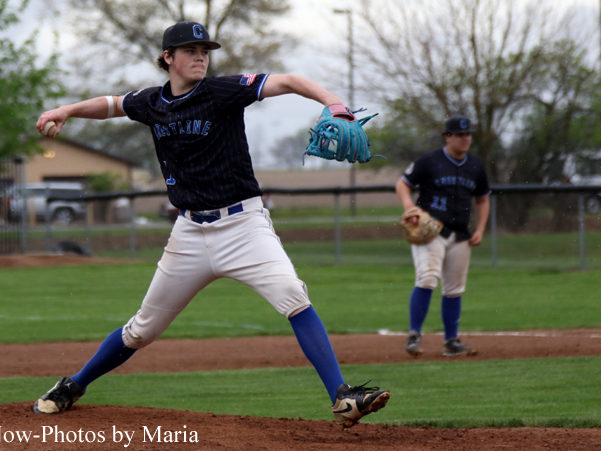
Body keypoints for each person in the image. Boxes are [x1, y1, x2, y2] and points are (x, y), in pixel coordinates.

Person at [32, 21, 390, 429]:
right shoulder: (152, 103)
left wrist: (333, 103)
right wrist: (66, 111)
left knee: (293, 295)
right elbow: (113, 104)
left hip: (243, 226)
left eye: (204, 49)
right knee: (142, 330)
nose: (200, 56)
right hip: (189, 234)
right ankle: (73, 386)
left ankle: (343, 397)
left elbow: (289, 80)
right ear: (168, 58)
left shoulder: (223, 91)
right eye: (189, 50)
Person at [395, 116, 491, 357]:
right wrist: (409, 207)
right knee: (427, 279)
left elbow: (483, 199)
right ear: (447, 137)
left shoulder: (475, 166)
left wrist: (480, 229)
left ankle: (451, 342)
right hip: (432, 231)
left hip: (461, 234)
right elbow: (403, 184)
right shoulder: (430, 161)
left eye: (468, 134)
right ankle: (414, 335)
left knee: (454, 288)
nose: (465, 138)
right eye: (460, 135)